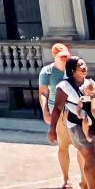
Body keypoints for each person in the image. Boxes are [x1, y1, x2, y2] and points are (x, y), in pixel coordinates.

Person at [50, 56, 95, 189]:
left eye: (84, 63)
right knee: (90, 159)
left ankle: (85, 183)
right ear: (72, 69)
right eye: (80, 65)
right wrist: (52, 130)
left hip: (92, 124)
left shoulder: (90, 83)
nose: (84, 67)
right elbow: (57, 109)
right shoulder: (63, 86)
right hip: (77, 126)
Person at [42, 42, 76, 189]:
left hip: (74, 110)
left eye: (66, 56)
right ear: (54, 56)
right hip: (58, 112)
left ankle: (85, 178)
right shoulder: (47, 72)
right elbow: (43, 92)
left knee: (81, 147)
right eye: (61, 56)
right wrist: (45, 112)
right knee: (63, 146)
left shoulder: (73, 68)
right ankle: (66, 179)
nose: (64, 59)